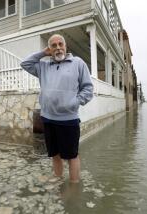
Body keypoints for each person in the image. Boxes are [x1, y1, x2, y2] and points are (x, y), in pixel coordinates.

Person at [20, 34, 94, 183]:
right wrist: (43, 53)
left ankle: (74, 186)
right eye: (54, 45)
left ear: (66, 46)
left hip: (69, 119)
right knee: (55, 154)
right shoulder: (44, 66)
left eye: (61, 44)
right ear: (50, 49)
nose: (58, 47)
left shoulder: (77, 63)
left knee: (72, 156)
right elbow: (25, 64)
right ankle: (58, 180)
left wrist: (74, 102)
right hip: (48, 118)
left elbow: (88, 89)